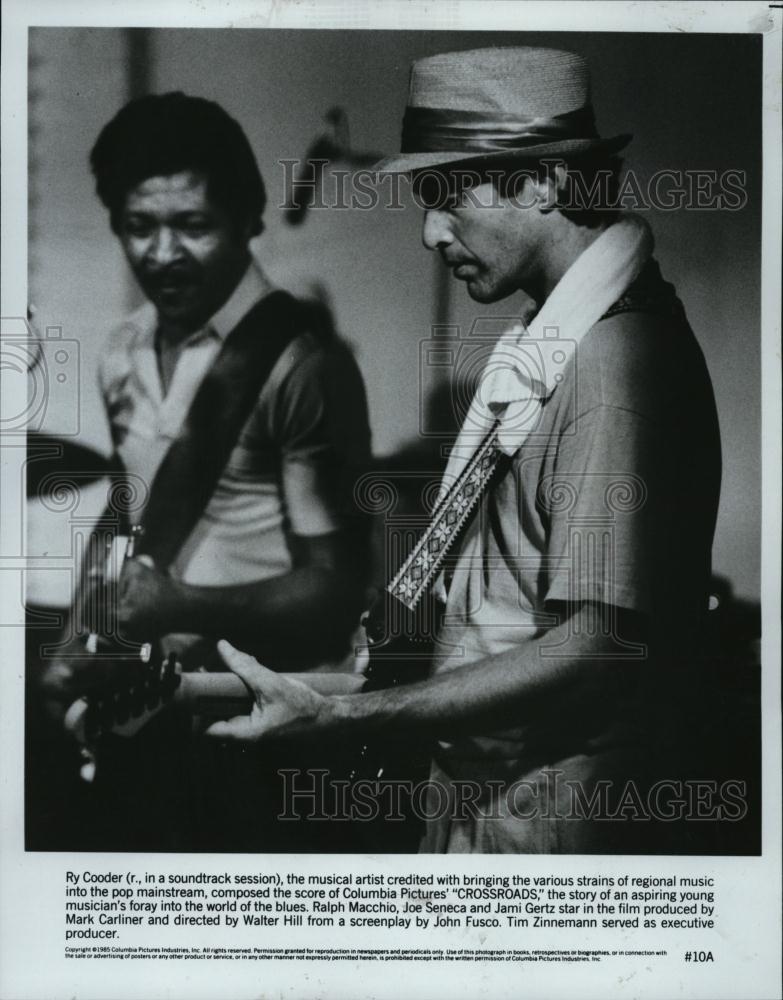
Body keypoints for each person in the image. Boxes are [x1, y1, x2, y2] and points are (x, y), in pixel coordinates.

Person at [206, 47, 723, 854]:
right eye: (423, 198)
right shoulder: (552, 345)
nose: (429, 232)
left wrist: (348, 718)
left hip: (550, 833)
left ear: (547, 181)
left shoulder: (610, 361)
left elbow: (594, 650)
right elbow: (490, 622)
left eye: (449, 195)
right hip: (487, 805)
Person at [35, 92, 371, 850]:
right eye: (138, 227)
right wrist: (75, 640)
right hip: (150, 704)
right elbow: (130, 510)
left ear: (249, 221)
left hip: (265, 711)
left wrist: (180, 601)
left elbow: (335, 588)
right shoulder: (122, 349)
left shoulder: (306, 365)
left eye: (192, 226)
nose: (161, 254)